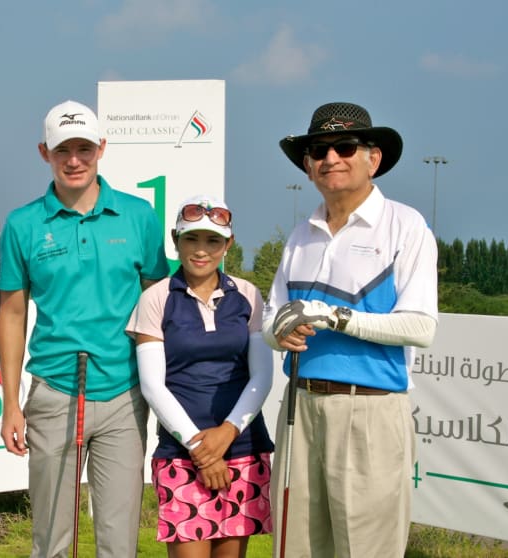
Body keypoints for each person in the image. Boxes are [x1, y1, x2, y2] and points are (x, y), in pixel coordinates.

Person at [264, 101, 438, 558]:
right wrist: (276, 332)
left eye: (345, 146)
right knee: (296, 547)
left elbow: (420, 326)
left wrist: (334, 317)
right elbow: (271, 318)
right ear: (307, 165)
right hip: (300, 406)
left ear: (372, 158)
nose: (331, 158)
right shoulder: (301, 235)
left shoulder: (405, 226)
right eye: (319, 150)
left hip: (370, 411)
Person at [0, 99, 169, 558]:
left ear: (101, 148)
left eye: (84, 149)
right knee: (52, 539)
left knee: (118, 542)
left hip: (123, 394)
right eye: (62, 150)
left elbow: (158, 305)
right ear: (43, 152)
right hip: (55, 392)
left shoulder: (137, 216)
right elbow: (12, 314)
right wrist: (11, 403)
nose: (74, 160)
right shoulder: (23, 224)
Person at [127, 195, 275, 558]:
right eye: (191, 239)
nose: (201, 250)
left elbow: (262, 377)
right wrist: (201, 450)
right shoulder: (157, 298)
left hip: (242, 448)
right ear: (175, 241)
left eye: (212, 240)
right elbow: (152, 385)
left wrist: (226, 434)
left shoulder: (248, 295)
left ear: (228, 244)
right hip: (182, 452)